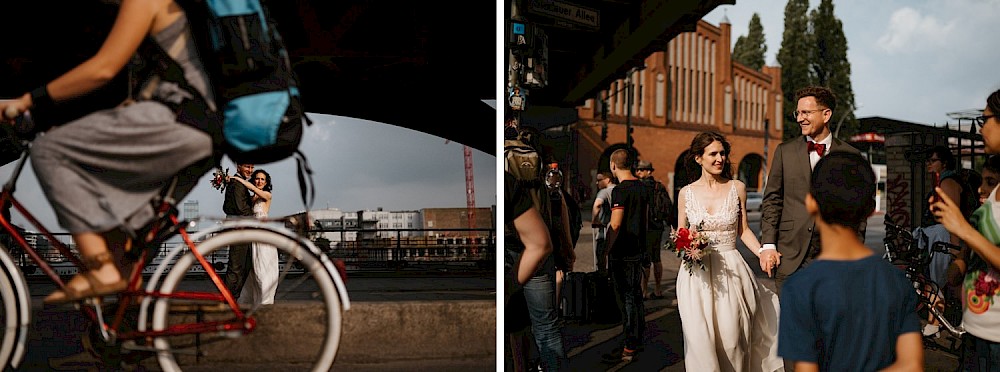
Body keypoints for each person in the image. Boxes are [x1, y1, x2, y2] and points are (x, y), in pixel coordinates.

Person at [0, 0, 216, 304]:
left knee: (50, 150)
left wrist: (27, 100)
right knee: (125, 232)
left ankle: (101, 270)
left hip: (183, 120)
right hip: (204, 127)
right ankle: (130, 328)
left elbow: (102, 69)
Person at [779, 151, 923, 371]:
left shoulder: (799, 287)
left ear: (810, 203)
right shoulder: (896, 280)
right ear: (871, 208)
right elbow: (912, 365)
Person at [675, 132, 782, 371]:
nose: (719, 158)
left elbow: (743, 231)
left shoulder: (738, 188)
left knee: (733, 340)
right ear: (698, 158)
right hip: (696, 276)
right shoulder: (686, 193)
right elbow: (681, 234)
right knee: (700, 341)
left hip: (731, 270)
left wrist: (763, 252)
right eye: (713, 153)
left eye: (722, 153)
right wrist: (688, 244)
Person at [759, 85, 866, 294]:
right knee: (793, 323)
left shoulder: (850, 155)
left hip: (834, 258)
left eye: (806, 112)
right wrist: (768, 245)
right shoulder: (784, 152)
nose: (799, 118)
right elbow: (772, 199)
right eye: (797, 113)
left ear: (826, 114)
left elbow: (857, 209)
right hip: (790, 257)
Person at [931, 89, 1000, 371]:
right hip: (976, 331)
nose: (981, 127)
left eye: (986, 119)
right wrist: (960, 263)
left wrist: (962, 227)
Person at [503, 170, 558, 372]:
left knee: (515, 328)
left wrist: (506, 288)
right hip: (536, 256)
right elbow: (542, 241)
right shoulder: (539, 182)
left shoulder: (507, 177)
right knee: (546, 326)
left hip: (511, 253)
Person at [602, 148, 648, 363]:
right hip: (638, 248)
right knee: (636, 297)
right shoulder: (642, 187)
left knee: (626, 299)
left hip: (623, 251)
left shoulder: (619, 191)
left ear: (613, 165)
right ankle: (637, 340)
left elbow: (616, 223)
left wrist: (607, 248)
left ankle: (629, 346)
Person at [229, 169, 278, 305]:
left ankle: (265, 299)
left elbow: (252, 188)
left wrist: (238, 179)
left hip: (263, 233)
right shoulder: (253, 198)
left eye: (262, 179)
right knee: (253, 267)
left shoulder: (267, 195)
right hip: (253, 233)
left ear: (266, 182)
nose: (259, 181)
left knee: (263, 266)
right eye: (257, 178)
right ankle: (252, 299)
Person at [635, 160, 673, 300]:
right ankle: (658, 290)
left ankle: (644, 291)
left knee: (645, 260)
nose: (638, 172)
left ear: (648, 171)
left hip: (644, 227)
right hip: (657, 227)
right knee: (656, 258)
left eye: (641, 170)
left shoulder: (639, 187)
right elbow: (668, 207)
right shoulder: (659, 186)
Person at [223, 163, 256, 298]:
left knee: (242, 266)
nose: (250, 170)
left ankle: (232, 298)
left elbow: (227, 206)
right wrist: (256, 217)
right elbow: (241, 208)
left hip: (240, 229)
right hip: (240, 230)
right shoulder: (237, 184)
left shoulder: (236, 182)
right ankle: (229, 299)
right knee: (236, 267)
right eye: (247, 167)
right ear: (238, 168)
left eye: (252, 167)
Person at [592, 170, 616, 274]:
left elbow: (597, 205)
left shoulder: (604, 192)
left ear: (607, 179)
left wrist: (595, 220)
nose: (597, 183)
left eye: (599, 180)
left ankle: (602, 278)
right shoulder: (618, 189)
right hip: (616, 230)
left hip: (604, 229)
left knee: (601, 255)